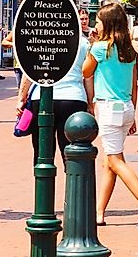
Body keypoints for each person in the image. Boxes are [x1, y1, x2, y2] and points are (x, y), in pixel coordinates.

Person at [85, 2, 138, 229]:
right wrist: (134, 115)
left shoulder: (100, 48)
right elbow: (134, 86)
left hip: (109, 109)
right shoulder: (129, 49)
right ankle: (99, 212)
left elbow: (85, 71)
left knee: (116, 161)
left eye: (98, 21)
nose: (95, 25)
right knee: (109, 162)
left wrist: (92, 45)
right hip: (126, 107)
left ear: (107, 23)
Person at [16, 30, 89, 165]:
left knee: (42, 152)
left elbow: (29, 72)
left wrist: (21, 97)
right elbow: (88, 76)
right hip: (74, 97)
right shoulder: (83, 43)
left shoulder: (41, 40)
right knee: (72, 152)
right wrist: (90, 103)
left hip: (41, 98)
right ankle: (72, 182)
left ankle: (42, 183)